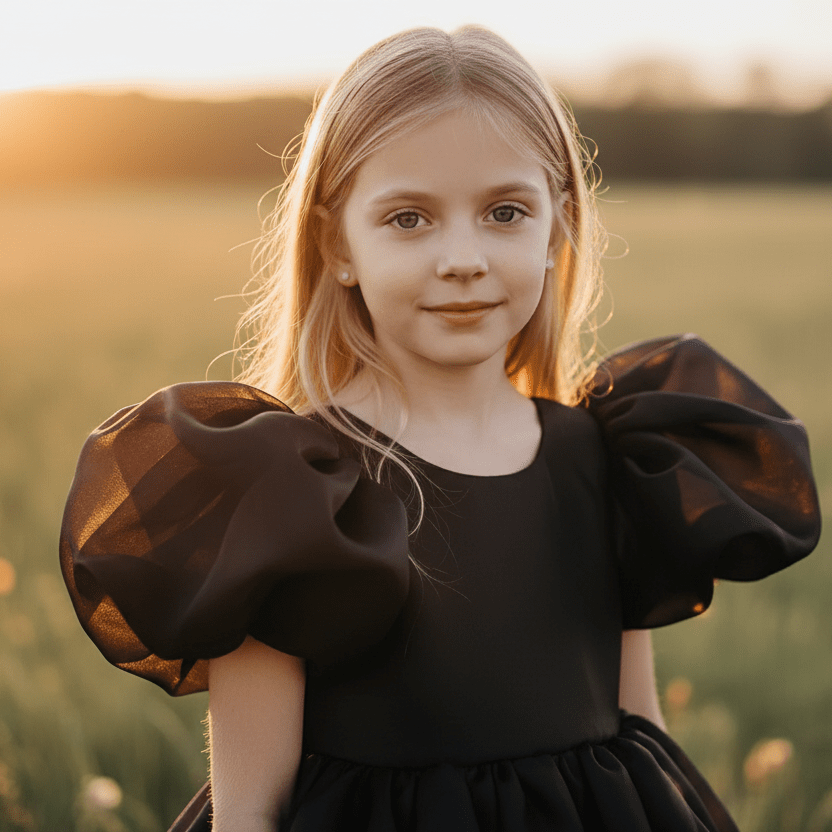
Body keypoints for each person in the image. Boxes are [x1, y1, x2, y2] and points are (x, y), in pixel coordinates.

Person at [60, 25, 821, 832]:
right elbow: (251, 811)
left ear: (559, 226)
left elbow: (638, 723)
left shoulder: (610, 457)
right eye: (409, 218)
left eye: (504, 211)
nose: (463, 257)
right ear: (336, 243)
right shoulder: (288, 492)